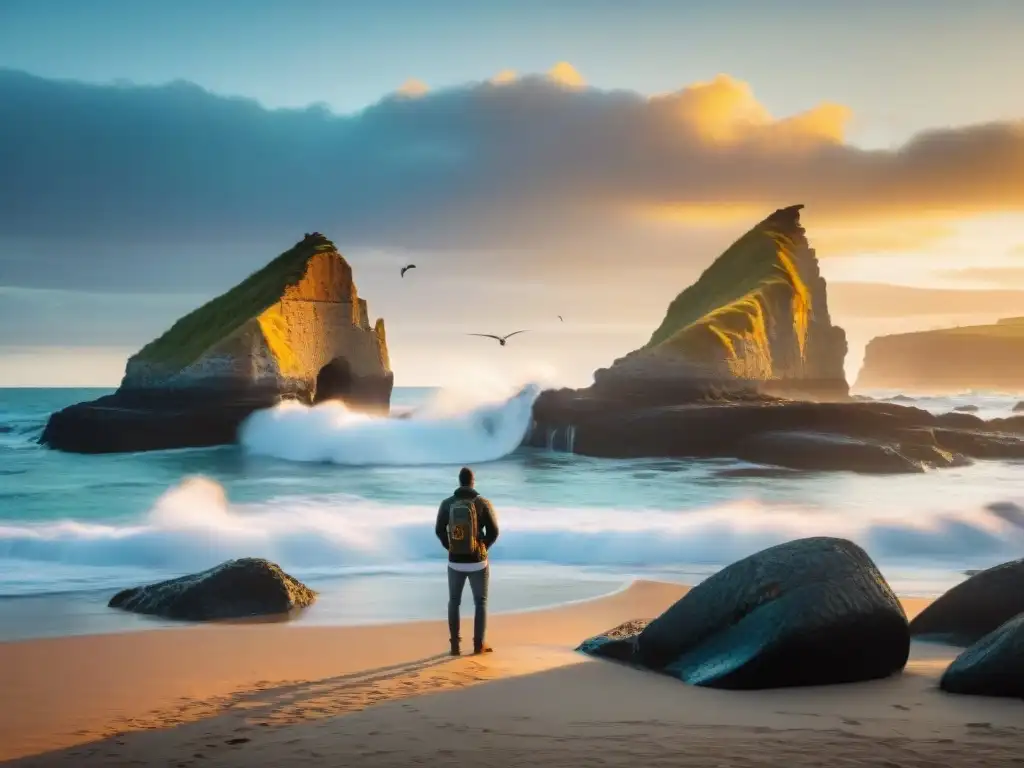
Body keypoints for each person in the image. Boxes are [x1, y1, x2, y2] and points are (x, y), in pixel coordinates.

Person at [435, 466, 499, 656]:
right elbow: (494, 532)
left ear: (459, 481)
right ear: (473, 482)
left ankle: (455, 646)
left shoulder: (447, 504)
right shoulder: (483, 503)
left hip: (455, 561)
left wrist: (452, 548)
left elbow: (439, 530)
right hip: (478, 562)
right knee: (480, 602)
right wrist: (482, 548)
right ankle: (478, 645)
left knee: (454, 601)